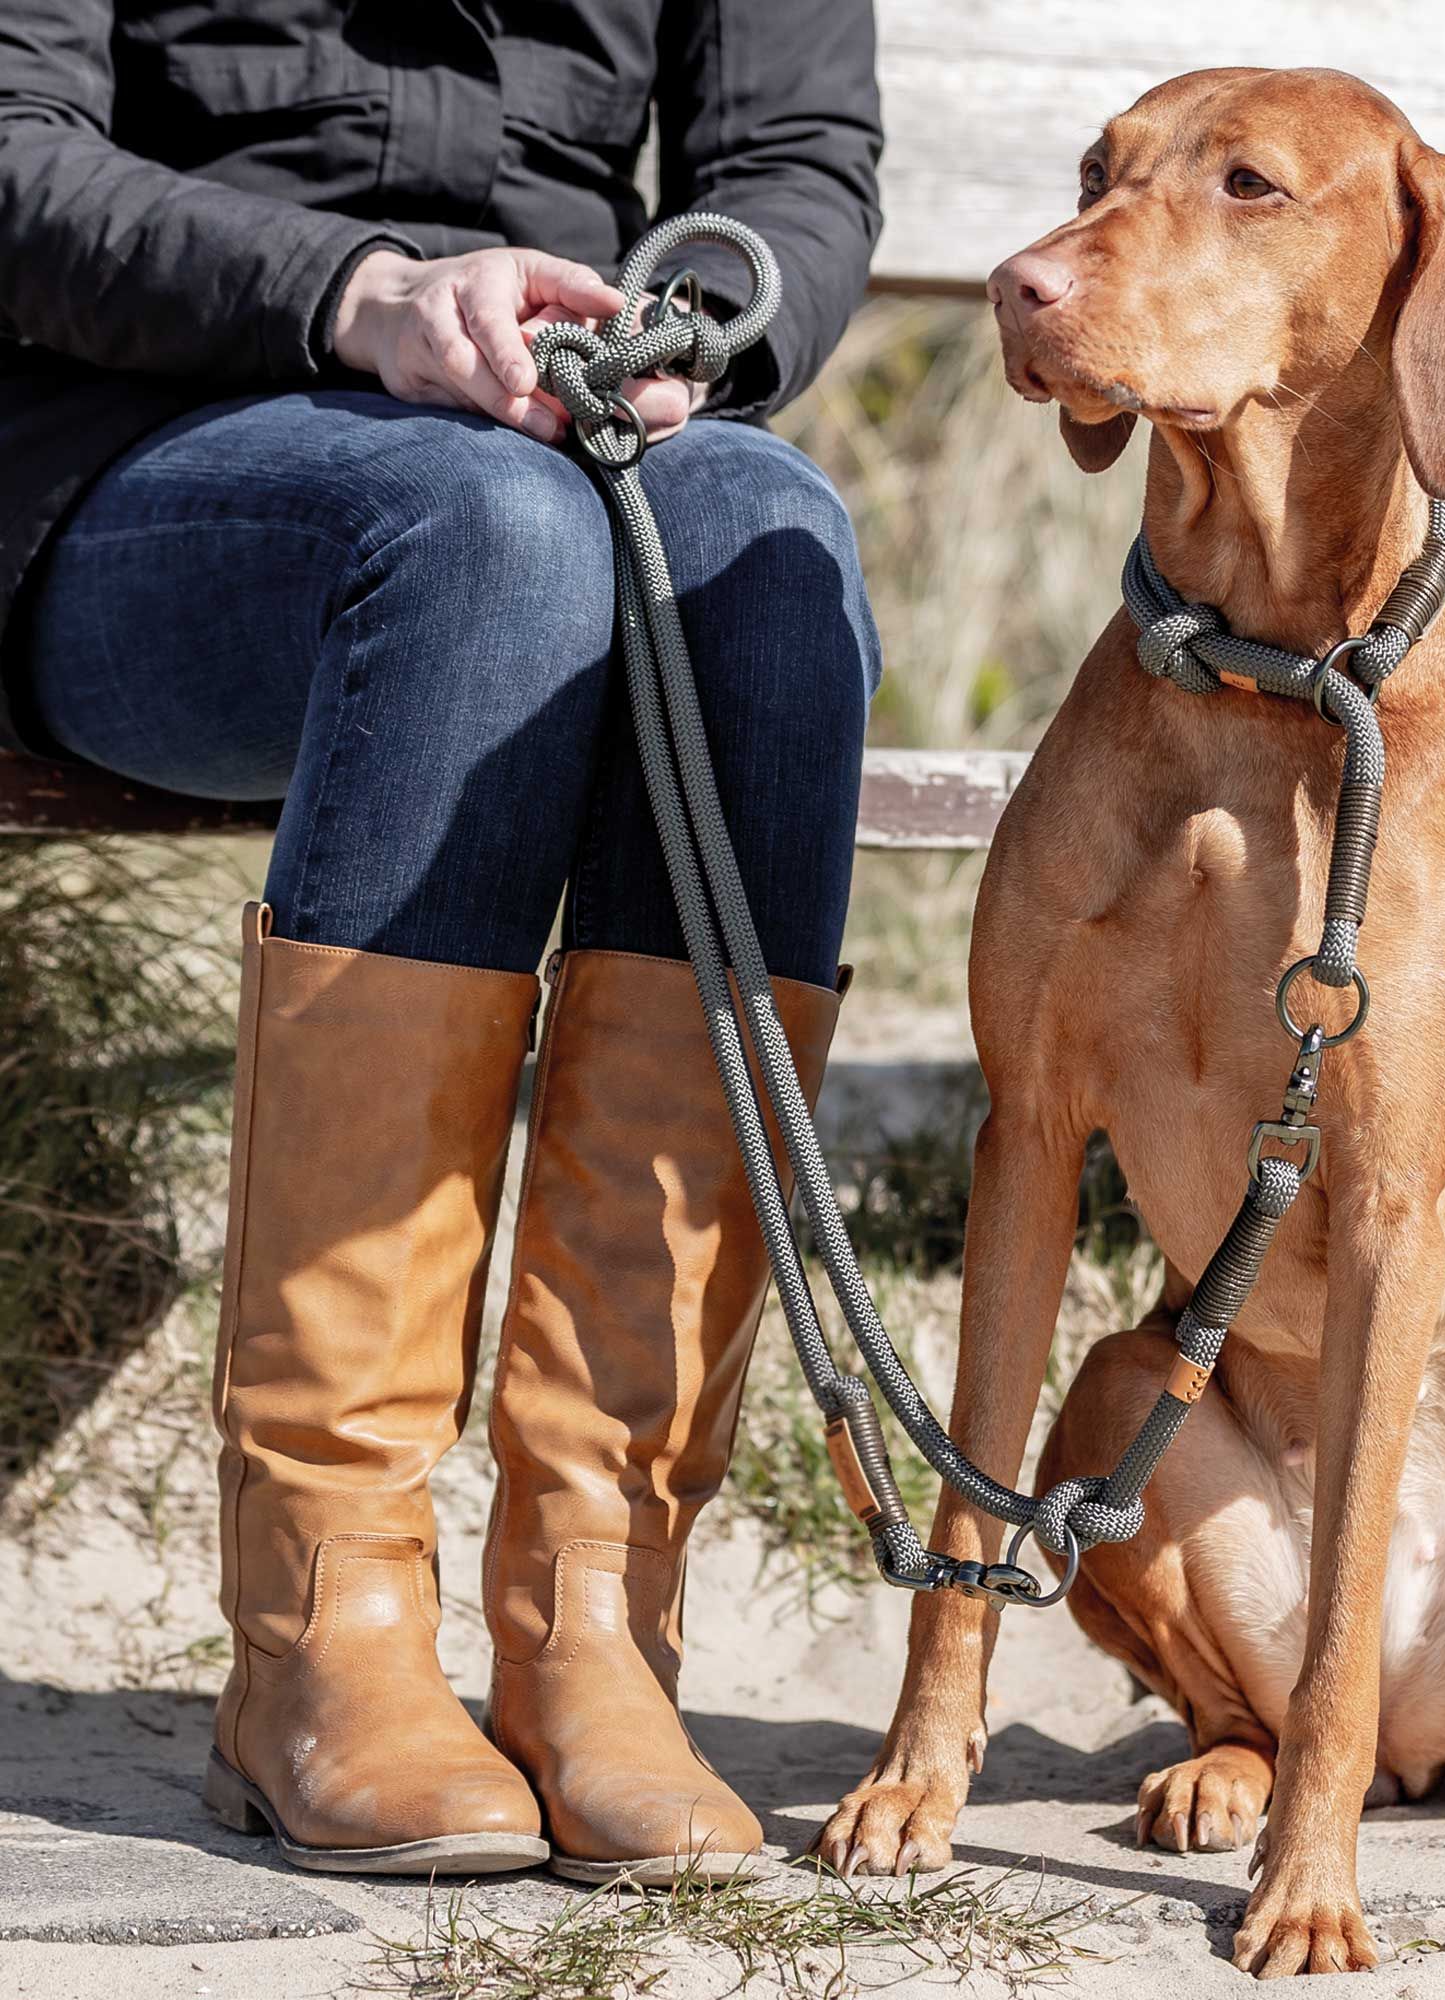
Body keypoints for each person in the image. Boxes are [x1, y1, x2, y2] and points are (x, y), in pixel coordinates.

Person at [0, 2, 883, 1881]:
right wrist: (362, 293)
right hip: (138, 460)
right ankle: (328, 1625)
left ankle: (598, 1626)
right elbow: (14, 149)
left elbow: (790, 169)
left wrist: (697, 349)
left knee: (773, 556)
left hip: (570, 436)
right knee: (487, 537)